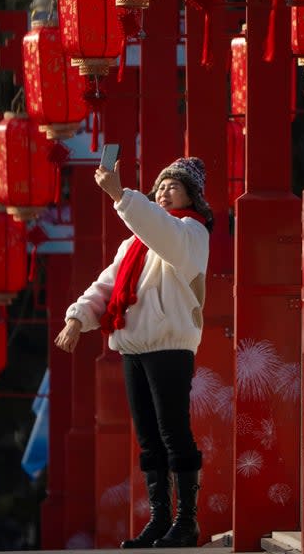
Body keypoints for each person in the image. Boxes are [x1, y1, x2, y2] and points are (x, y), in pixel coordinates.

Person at [54, 157, 212, 549]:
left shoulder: (192, 233)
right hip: (135, 347)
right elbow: (105, 287)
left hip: (170, 345)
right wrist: (77, 318)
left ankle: (186, 521)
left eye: (172, 187)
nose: (162, 192)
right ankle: (160, 519)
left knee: (174, 432)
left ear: (191, 196)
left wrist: (122, 196)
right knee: (148, 439)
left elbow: (165, 234)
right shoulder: (135, 243)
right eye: (159, 187)